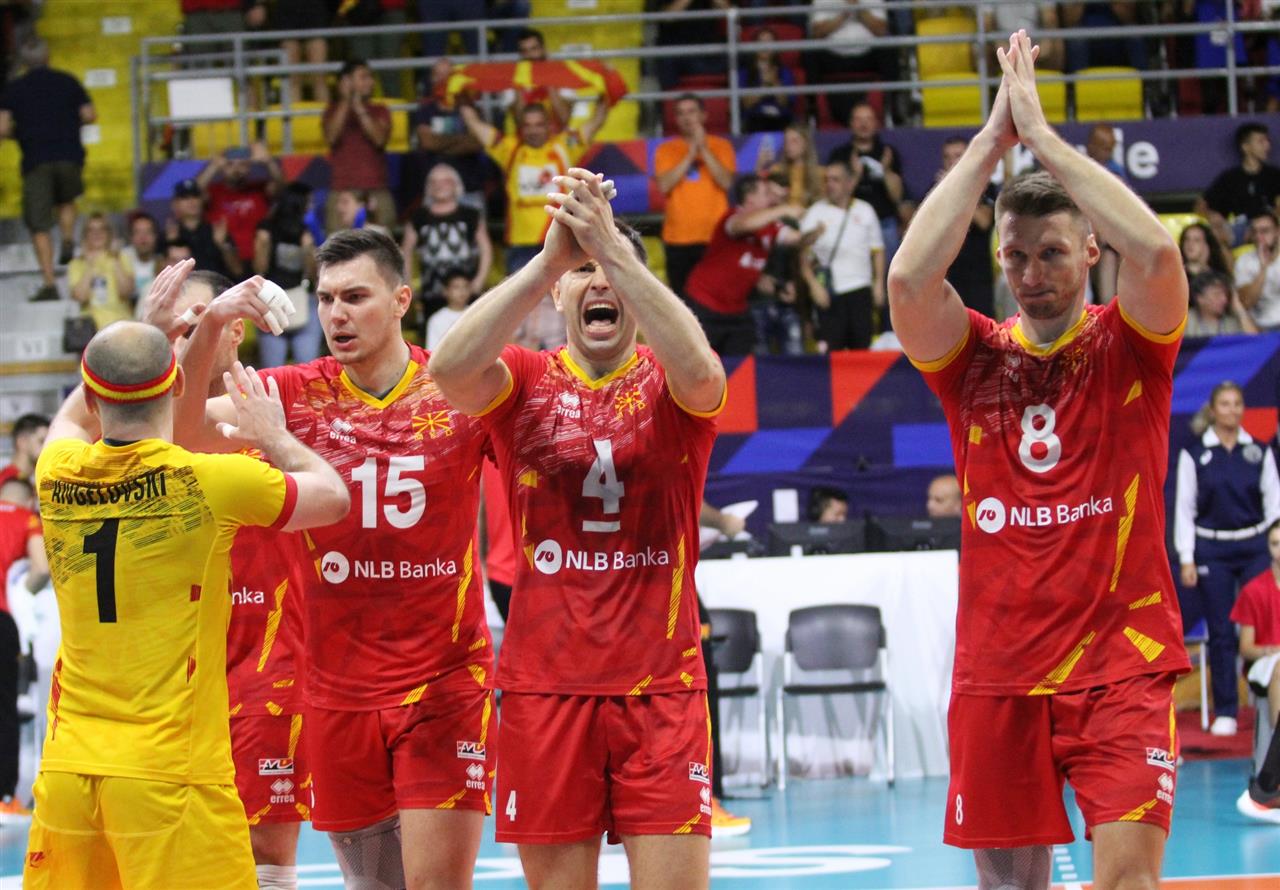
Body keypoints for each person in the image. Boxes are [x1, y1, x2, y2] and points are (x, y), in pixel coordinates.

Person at [888, 30, 1190, 889]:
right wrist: (993, 141)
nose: (1031, 273)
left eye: (1053, 251)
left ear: (1092, 251)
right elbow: (908, 284)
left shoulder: (1133, 343)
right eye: (1015, 255)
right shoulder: (974, 359)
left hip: (1122, 661)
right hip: (1001, 669)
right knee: (1009, 887)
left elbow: (1158, 254)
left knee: (1127, 880)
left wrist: (1045, 139)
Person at [429, 167, 725, 888]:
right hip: (546, 689)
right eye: (583, 272)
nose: (600, 282)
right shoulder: (524, 377)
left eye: (613, 271)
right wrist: (547, 263)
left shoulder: (672, 381)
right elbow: (449, 371)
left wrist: (614, 250)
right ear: (560, 296)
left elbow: (705, 376)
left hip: (661, 688)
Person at [176, 229, 495, 890]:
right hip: (335, 689)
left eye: (355, 297)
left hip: (443, 684)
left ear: (401, 300)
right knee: (375, 886)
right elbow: (177, 433)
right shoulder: (290, 394)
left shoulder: (455, 388)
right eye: (325, 299)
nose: (336, 314)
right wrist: (210, 324)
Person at [22, 314, 349, 889]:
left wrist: (144, 327)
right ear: (177, 385)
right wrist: (272, 434)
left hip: (70, 773)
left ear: (94, 395)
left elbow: (68, 419)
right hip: (171, 775)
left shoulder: (56, 471)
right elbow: (333, 498)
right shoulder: (208, 480)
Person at [162, 267, 316, 890]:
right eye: (179, 325)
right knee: (174, 846)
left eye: (204, 319)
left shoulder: (279, 402)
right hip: (170, 670)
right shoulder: (139, 422)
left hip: (264, 658)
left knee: (265, 849)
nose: (189, 332)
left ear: (236, 328)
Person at [1174, 381, 1279, 736]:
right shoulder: (1195, 454)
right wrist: (1187, 557)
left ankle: (1265, 701)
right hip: (1212, 549)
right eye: (1225, 404)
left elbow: (1274, 505)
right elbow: (1184, 508)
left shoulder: (1258, 452)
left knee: (1266, 624)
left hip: (1255, 547)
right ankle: (1227, 710)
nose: (1232, 410)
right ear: (1213, 409)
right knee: (1220, 630)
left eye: (1237, 403)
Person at [461, 94, 608, 276]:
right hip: (520, 244)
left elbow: (596, 121)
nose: (533, 130)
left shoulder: (564, 146)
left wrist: (607, 93)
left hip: (560, 238)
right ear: (520, 128)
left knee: (562, 293)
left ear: (549, 126)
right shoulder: (510, 149)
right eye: (528, 125)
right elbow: (474, 124)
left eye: (539, 124)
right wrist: (460, 94)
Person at [0, 37, 95, 301]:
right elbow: (89, 114)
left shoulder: (14, 88)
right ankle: (67, 238)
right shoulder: (67, 80)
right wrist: (66, 124)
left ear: (23, 62)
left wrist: (22, 132)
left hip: (36, 159)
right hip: (69, 154)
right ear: (47, 57)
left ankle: (50, 283)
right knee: (66, 199)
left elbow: (2, 128)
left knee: (38, 223)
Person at [685, 175, 806, 356]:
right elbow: (746, 224)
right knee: (701, 364)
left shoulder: (771, 227)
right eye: (765, 193)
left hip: (736, 311)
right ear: (750, 199)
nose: (771, 198)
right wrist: (783, 209)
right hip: (705, 305)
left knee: (741, 364)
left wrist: (821, 228)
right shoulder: (732, 218)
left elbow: (798, 239)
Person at [654, 95, 737, 297]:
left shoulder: (722, 146)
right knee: (682, 301)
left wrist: (704, 149)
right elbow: (665, 185)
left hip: (715, 235)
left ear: (703, 115)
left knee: (715, 296)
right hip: (678, 237)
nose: (686, 118)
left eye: (691, 111)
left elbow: (726, 182)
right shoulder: (666, 149)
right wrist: (691, 153)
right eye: (680, 113)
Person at [0, 475, 47, 822]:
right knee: (5, 710)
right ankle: (4, 797)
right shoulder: (27, 519)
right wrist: (25, 595)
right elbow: (41, 568)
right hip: (2, 618)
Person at [801, 159, 885, 351]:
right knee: (832, 351)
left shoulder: (865, 210)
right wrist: (814, 286)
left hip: (860, 289)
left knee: (862, 348)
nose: (829, 184)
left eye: (835, 180)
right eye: (827, 180)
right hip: (829, 292)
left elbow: (877, 250)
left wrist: (879, 283)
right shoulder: (815, 212)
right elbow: (801, 257)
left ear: (850, 183)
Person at [1232, 519, 1280, 822]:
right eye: (1275, 543)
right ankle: (1269, 785)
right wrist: (1270, 650)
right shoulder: (1255, 589)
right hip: (1265, 661)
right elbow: (1246, 647)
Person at [402, 162, 492, 319]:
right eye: (434, 182)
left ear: (456, 185)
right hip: (431, 291)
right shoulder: (418, 217)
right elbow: (406, 251)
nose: (439, 186)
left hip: (465, 291)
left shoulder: (471, 215)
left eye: (445, 181)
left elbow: (486, 249)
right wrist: (408, 282)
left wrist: (479, 280)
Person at [828, 102, 907, 264]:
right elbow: (834, 197)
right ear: (851, 123)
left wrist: (886, 171)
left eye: (868, 119)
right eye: (858, 119)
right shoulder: (840, 155)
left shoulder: (887, 152)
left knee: (890, 269)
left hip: (884, 222)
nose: (863, 124)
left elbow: (897, 196)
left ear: (876, 123)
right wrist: (855, 176)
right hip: (849, 222)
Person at [254, 182, 322, 367]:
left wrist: (308, 250)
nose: (311, 206)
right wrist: (263, 246)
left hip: (303, 299)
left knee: (308, 368)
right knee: (273, 371)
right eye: (309, 202)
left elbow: (313, 274)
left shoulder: (308, 231)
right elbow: (259, 268)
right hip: (271, 302)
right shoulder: (266, 229)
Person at [324, 60, 395, 233]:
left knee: (382, 247)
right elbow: (331, 138)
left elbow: (379, 139)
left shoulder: (380, 110)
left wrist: (358, 107)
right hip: (342, 192)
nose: (371, 82)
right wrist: (346, 101)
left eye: (370, 77)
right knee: (339, 248)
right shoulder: (332, 110)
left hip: (376, 190)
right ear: (346, 81)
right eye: (364, 77)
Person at [934, 136, 998, 319]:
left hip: (979, 273)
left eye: (958, 156)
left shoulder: (985, 186)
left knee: (982, 325)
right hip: (949, 273)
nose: (952, 162)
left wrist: (956, 190)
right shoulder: (936, 189)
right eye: (947, 157)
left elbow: (983, 221)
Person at [197, 141, 286, 269]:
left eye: (242, 164)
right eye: (230, 164)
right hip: (223, 262)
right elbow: (196, 192)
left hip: (259, 262)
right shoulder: (213, 192)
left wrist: (269, 162)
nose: (236, 169)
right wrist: (213, 167)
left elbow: (282, 188)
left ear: (249, 166)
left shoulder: (260, 189)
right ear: (222, 168)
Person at [1198, 122, 1280, 246]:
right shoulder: (1230, 178)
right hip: (1240, 229)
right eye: (1261, 141)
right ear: (1245, 147)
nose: (1267, 146)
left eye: (1267, 141)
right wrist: (1212, 216)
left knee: (1265, 227)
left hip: (1269, 225)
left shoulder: (1274, 175)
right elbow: (1201, 205)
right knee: (1214, 235)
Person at [67, 213, 135, 331]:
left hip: (121, 324)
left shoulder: (122, 257)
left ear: (109, 233)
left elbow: (126, 291)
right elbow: (80, 297)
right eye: (91, 230)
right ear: (85, 235)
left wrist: (115, 259)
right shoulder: (76, 263)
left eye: (102, 229)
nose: (97, 234)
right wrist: (89, 266)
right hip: (90, 328)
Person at [167, 177, 239, 277]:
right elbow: (158, 274)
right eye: (185, 198)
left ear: (202, 200)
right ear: (175, 204)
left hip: (215, 285)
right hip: (184, 285)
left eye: (195, 196)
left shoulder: (216, 231)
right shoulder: (170, 235)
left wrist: (223, 245)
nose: (191, 201)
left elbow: (237, 270)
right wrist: (170, 243)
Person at [1234, 210, 1280, 331]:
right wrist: (1263, 268)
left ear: (1277, 232)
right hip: (1260, 328)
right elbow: (1246, 302)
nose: (1259, 237)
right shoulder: (1244, 261)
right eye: (1255, 232)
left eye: (1265, 231)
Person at [757, 124, 822, 208]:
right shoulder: (777, 170)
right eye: (786, 141)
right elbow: (758, 192)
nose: (789, 146)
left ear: (806, 144)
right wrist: (760, 164)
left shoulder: (819, 173)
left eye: (794, 141)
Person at [1185, 270, 1257, 337]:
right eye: (1217, 294)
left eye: (1226, 294)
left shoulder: (1231, 322)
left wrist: (1239, 309)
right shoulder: (1186, 322)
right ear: (1200, 298)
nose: (1224, 299)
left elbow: (1254, 341)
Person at [122, 211, 163, 315]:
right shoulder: (121, 259)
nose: (143, 237)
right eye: (138, 232)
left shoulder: (163, 262)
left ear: (155, 236)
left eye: (148, 232)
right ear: (131, 237)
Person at [0, 413, 49, 487]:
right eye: (42, 441)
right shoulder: (8, 482)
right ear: (22, 442)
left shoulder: (32, 480)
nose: (47, 447)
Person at [426, 271, 472, 351]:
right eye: (456, 287)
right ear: (445, 291)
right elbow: (432, 351)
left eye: (465, 286)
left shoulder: (477, 313)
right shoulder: (436, 320)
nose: (462, 291)